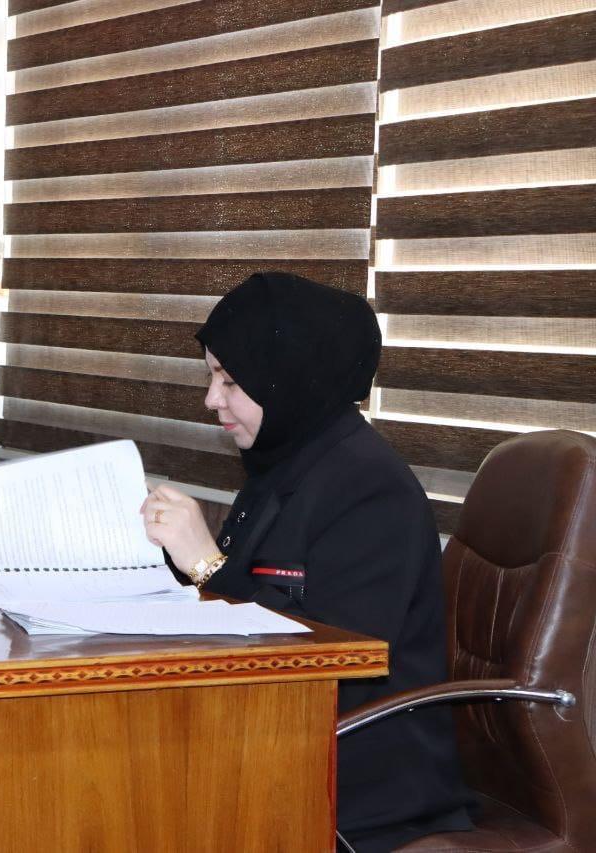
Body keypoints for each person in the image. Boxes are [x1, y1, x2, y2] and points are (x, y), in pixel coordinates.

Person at [142, 272, 473, 852]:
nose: (212, 399)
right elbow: (260, 592)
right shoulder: (286, 465)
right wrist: (169, 558)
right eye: (211, 377)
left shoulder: (370, 490)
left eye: (230, 380)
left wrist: (205, 564)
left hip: (355, 784)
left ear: (290, 375)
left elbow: (324, 663)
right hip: (280, 745)